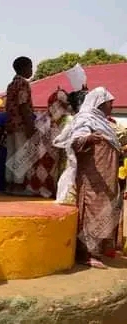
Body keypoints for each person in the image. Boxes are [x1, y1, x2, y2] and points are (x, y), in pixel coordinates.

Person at [53, 87, 122, 268]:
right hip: (92, 178)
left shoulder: (103, 122)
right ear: (100, 104)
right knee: (91, 210)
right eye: (110, 103)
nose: (112, 107)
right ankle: (86, 253)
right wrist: (89, 138)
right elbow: (75, 141)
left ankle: (97, 250)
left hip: (105, 177)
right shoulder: (85, 120)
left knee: (104, 209)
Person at [4, 56, 35, 194]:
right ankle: (18, 185)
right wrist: (30, 125)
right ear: (23, 68)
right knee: (21, 155)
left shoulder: (11, 84)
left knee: (11, 153)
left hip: (10, 123)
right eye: (30, 67)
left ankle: (9, 184)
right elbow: (23, 104)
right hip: (21, 124)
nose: (31, 70)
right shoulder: (23, 84)